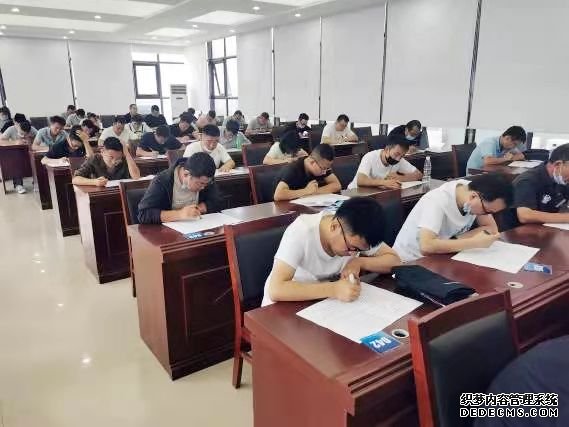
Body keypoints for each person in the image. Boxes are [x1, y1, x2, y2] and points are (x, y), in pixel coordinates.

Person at [262, 197, 401, 306]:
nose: (353, 253)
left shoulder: (360, 233)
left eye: (359, 250)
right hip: (284, 306)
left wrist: (359, 262)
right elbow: (276, 289)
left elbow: (395, 261)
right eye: (351, 248)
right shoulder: (301, 231)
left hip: (324, 303)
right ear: (334, 226)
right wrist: (334, 289)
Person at [393, 173, 513, 262]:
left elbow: (491, 229)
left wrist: (456, 240)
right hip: (411, 261)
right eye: (487, 211)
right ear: (473, 197)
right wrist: (473, 242)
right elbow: (426, 246)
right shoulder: (437, 200)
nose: (486, 214)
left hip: (442, 256)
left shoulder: (472, 191)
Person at [137, 152, 223, 224]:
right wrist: (180, 214)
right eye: (200, 183)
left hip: (198, 227)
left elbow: (217, 201)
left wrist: (199, 208)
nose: (203, 187)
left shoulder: (205, 177)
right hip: (168, 232)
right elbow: (144, 214)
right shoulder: (162, 181)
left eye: (207, 183)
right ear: (186, 174)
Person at [511, 143, 569, 225]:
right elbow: (525, 215)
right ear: (558, 164)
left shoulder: (562, 180)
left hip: (549, 227)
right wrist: (565, 217)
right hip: (521, 229)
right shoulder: (528, 181)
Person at [347, 136, 423, 190]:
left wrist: (400, 178)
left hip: (377, 193)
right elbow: (361, 180)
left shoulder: (400, 160)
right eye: (396, 154)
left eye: (402, 156)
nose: (398, 159)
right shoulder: (370, 157)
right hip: (355, 193)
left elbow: (419, 174)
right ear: (387, 149)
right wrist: (385, 182)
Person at [273, 143, 342, 201]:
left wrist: (314, 192)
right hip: (283, 207)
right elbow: (278, 195)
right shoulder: (293, 169)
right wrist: (306, 191)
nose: (324, 172)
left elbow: (336, 185)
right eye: (323, 169)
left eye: (327, 169)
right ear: (312, 162)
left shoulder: (322, 165)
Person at [72, 137, 140, 187]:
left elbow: (136, 177)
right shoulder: (94, 159)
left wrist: (127, 153)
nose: (114, 161)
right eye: (111, 157)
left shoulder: (124, 159)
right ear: (102, 152)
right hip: (99, 195)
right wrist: (94, 182)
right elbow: (75, 179)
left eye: (118, 158)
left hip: (120, 193)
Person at [1, 118, 38, 194]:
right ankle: (18, 185)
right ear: (18, 126)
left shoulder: (32, 129)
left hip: (29, 151)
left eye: (25, 134)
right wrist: (15, 142)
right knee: (16, 163)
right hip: (15, 152)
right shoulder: (11, 129)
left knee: (37, 161)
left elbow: (39, 139)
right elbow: (1, 140)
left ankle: (36, 182)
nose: (23, 136)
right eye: (21, 133)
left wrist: (31, 141)